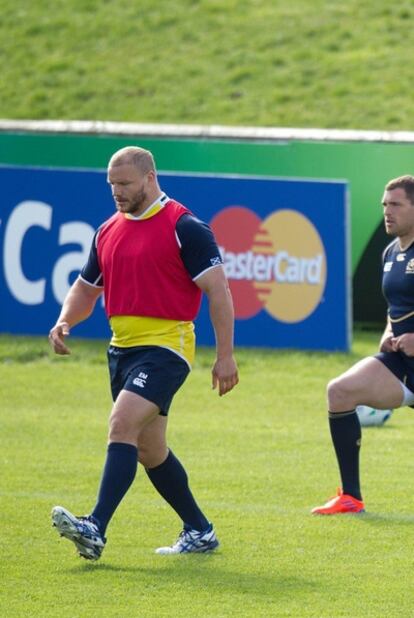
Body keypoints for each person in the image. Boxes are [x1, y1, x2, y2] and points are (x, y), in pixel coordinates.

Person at [49, 146, 239, 559]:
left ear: (150, 178)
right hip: (121, 350)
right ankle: (200, 530)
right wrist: (66, 320)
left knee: (121, 425)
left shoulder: (184, 227)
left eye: (125, 184)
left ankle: (94, 527)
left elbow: (218, 291)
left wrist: (225, 355)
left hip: (167, 346)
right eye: (111, 184)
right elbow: (86, 288)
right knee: (150, 449)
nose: (116, 191)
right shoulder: (107, 231)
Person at [312, 175, 414, 515]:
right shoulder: (390, 252)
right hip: (401, 364)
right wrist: (388, 330)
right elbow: (396, 306)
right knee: (339, 392)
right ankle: (350, 497)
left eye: (396, 204)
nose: (388, 212)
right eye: (385, 205)